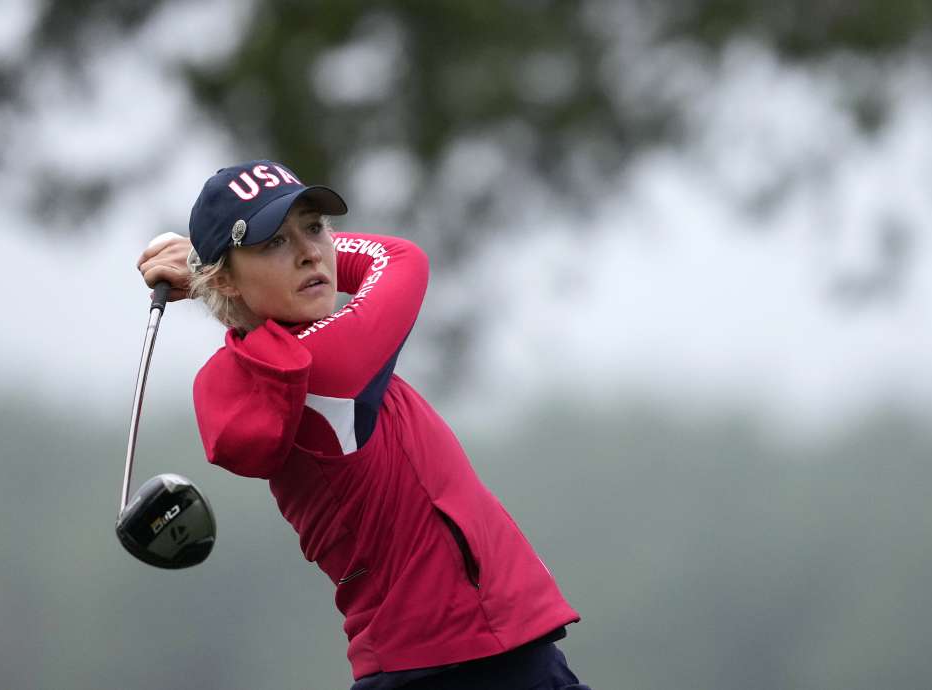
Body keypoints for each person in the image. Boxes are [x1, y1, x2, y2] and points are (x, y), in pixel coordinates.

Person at [137, 160, 592, 690]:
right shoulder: (327, 365)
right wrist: (202, 266)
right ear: (228, 281)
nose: (311, 251)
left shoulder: (267, 368)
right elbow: (402, 258)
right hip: (469, 660)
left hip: (441, 657)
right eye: (273, 243)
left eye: (313, 227)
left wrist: (212, 269)